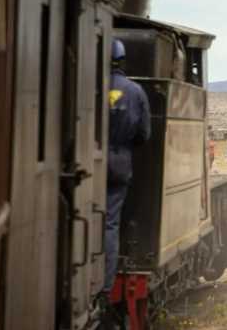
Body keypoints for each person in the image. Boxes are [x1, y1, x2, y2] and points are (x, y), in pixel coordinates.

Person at [103, 39, 151, 298]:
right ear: (122, 61)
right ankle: (105, 285)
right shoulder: (135, 91)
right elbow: (144, 134)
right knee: (110, 223)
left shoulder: (86, 84)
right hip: (120, 162)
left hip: (88, 158)